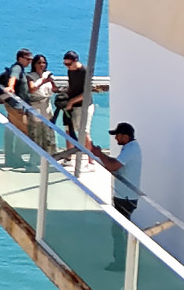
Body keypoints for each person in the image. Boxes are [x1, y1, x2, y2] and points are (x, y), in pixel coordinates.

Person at [83, 122, 144, 271]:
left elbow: (113, 166)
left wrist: (99, 154)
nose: (116, 138)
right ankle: (125, 261)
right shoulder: (129, 148)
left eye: (118, 135)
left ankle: (121, 262)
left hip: (126, 198)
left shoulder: (131, 149)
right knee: (120, 231)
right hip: (124, 196)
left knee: (118, 231)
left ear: (125, 136)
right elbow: (115, 167)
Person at [56, 51, 92, 150]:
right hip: (71, 106)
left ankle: (91, 156)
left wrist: (71, 102)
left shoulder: (85, 72)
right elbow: (72, 86)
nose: (67, 67)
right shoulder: (70, 71)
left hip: (83, 105)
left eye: (69, 64)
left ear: (75, 61)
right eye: (65, 64)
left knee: (84, 132)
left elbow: (87, 93)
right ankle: (69, 155)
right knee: (68, 131)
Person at [25, 55, 59, 153]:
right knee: (36, 131)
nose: (41, 65)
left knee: (48, 130)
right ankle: (36, 154)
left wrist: (51, 82)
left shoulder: (48, 74)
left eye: (43, 63)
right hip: (35, 105)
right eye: (39, 63)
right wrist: (43, 81)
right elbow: (32, 89)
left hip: (46, 104)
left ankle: (51, 153)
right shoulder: (30, 76)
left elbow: (54, 89)